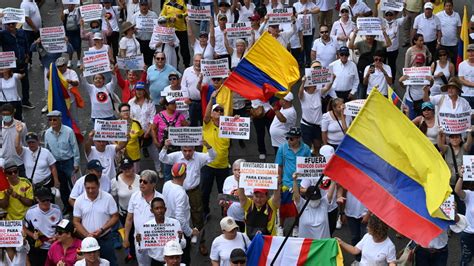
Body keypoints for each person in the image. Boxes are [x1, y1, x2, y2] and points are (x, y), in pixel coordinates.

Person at [159, 140, 215, 232]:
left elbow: (213, 157)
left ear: (194, 150)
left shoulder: (199, 156)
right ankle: (183, 234)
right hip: (180, 191)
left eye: (190, 150)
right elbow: (162, 158)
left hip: (194, 191)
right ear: (181, 150)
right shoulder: (176, 155)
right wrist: (165, 147)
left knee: (197, 215)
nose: (187, 153)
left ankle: (199, 238)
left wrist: (208, 145)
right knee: (180, 214)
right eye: (185, 150)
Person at [72, 174, 119, 266]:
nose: (90, 191)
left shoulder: (108, 198)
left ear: (98, 185)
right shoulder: (79, 201)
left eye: (93, 188)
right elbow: (76, 221)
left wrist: (102, 229)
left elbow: (115, 216)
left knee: (110, 262)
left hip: (105, 238)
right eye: (87, 188)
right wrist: (87, 235)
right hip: (87, 241)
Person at [123, 170, 164, 266]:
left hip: (156, 241)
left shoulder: (161, 199)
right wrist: (126, 238)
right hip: (139, 240)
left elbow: (165, 221)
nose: (141, 183)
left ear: (153, 184)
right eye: (140, 181)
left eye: (145, 182)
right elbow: (129, 219)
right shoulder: (134, 196)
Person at [202, 95, 232, 219]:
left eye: (221, 111)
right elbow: (206, 116)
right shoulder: (207, 124)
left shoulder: (229, 126)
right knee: (205, 192)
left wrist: (236, 120)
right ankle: (205, 211)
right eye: (216, 110)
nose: (219, 112)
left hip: (223, 166)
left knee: (224, 193)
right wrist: (211, 100)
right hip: (208, 165)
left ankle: (224, 213)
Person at [44, 110, 80, 212]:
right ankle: (67, 206)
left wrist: (76, 163)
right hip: (56, 164)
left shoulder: (68, 131)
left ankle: (77, 206)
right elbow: (47, 150)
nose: (52, 122)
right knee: (62, 187)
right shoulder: (47, 133)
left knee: (74, 185)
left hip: (68, 162)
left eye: (54, 119)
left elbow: (75, 147)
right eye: (50, 120)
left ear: (60, 120)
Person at [162, 163, 200, 260]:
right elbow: (180, 218)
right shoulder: (181, 193)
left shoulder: (167, 184)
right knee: (184, 257)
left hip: (167, 226)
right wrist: (190, 232)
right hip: (179, 231)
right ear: (185, 175)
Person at [299, 60, 332, 153]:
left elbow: (327, 88)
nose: (314, 86)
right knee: (306, 147)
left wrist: (332, 78)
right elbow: (300, 93)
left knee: (317, 145)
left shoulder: (318, 92)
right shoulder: (303, 95)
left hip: (318, 125)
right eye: (312, 84)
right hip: (306, 125)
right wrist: (302, 82)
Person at [24, 187, 62, 266]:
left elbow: (62, 227)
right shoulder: (30, 212)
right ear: (37, 199)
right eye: (43, 200)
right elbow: (24, 227)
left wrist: (57, 236)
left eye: (48, 200)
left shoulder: (57, 210)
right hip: (38, 249)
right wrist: (33, 235)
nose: (46, 202)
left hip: (54, 246)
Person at [110, 158, 139, 262]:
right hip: (124, 213)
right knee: (129, 234)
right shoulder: (115, 181)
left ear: (133, 167)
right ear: (121, 169)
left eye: (130, 168)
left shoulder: (140, 179)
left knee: (139, 233)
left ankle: (141, 252)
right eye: (125, 168)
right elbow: (114, 198)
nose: (128, 171)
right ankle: (131, 254)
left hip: (138, 213)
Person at [152, 97, 188, 180]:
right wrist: (155, 140)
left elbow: (186, 126)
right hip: (165, 146)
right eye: (172, 103)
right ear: (166, 105)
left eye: (175, 103)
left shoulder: (179, 115)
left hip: (178, 146)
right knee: (167, 167)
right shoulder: (159, 116)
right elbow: (153, 128)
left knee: (179, 167)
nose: (175, 105)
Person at [0, 21, 33, 109]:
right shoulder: (3, 34)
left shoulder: (21, 32)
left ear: (16, 24)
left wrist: (27, 57)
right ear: (5, 24)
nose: (11, 25)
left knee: (25, 82)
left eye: (13, 23)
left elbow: (26, 44)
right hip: (10, 64)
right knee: (10, 83)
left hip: (23, 62)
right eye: (8, 24)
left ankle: (25, 101)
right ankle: (11, 103)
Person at [292, 173, 336, 239]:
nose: (314, 201)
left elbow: (330, 194)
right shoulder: (302, 204)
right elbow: (296, 195)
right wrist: (294, 181)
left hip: (322, 244)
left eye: (316, 198)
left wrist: (333, 181)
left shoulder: (324, 203)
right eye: (312, 199)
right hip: (306, 244)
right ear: (306, 197)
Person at [144, 197, 186, 265]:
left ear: (165, 209)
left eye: (161, 208)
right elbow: (140, 250)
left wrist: (180, 239)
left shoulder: (175, 223)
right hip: (156, 262)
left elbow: (183, 245)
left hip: (173, 262)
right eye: (156, 208)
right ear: (151, 210)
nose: (159, 210)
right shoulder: (147, 227)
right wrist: (140, 242)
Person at [128, 81, 157, 168]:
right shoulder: (131, 102)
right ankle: (137, 171)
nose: (139, 92)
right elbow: (130, 118)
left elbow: (153, 118)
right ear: (135, 90)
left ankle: (158, 168)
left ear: (144, 91)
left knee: (154, 152)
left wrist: (148, 132)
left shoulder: (150, 102)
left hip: (148, 130)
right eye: (137, 89)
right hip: (136, 132)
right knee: (136, 154)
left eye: (141, 90)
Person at [222, 159, 253, 232]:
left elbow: (254, 198)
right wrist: (224, 203)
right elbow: (225, 197)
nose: (237, 172)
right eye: (235, 170)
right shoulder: (228, 180)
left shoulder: (252, 181)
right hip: (231, 217)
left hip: (247, 218)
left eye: (240, 170)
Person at [400, 53, 434, 119]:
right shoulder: (410, 71)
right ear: (415, 62)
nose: (418, 65)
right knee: (410, 119)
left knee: (422, 120)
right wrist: (400, 81)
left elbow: (430, 86)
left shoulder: (427, 71)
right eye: (417, 63)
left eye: (420, 63)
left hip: (422, 100)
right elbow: (404, 86)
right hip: (411, 100)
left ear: (423, 63)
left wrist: (431, 80)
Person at [160, 0, 190, 68]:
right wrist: (169, 18)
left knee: (185, 49)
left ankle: (187, 65)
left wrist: (182, 15)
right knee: (174, 49)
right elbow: (162, 15)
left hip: (182, 29)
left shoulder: (182, 2)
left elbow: (188, 12)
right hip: (171, 30)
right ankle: (175, 66)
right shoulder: (166, 3)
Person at [0, 104, 27, 176]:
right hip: (3, 163)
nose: (5, 116)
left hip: (19, 162)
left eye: (8, 114)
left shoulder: (21, 126)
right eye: (3, 114)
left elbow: (25, 142)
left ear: (13, 114)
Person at [131, 0, 159, 66]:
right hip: (139, 41)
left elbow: (158, 27)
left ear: (148, 6)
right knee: (141, 60)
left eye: (146, 5)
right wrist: (134, 30)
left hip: (151, 41)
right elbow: (130, 29)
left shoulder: (153, 14)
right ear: (139, 6)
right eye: (142, 5)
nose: (144, 7)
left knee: (150, 59)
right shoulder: (135, 16)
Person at [118, 103, 144, 172]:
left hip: (134, 154)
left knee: (135, 173)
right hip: (121, 154)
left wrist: (139, 148)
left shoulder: (136, 123)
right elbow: (112, 139)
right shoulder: (115, 124)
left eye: (127, 110)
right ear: (120, 113)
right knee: (123, 174)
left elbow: (141, 136)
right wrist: (118, 148)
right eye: (123, 111)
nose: (126, 112)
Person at [293, 0, 320, 67]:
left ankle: (308, 61)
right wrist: (300, 13)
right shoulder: (295, 4)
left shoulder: (310, 3)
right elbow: (293, 13)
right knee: (300, 45)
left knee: (308, 46)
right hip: (299, 28)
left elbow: (318, 9)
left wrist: (310, 11)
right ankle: (301, 61)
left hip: (310, 28)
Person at [454, 175, 474, 265]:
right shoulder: (470, 194)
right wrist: (461, 177)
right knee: (465, 259)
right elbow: (457, 190)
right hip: (468, 233)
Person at [181, 54, 204, 126]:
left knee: (204, 123)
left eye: (200, 61)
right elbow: (183, 85)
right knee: (193, 124)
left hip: (204, 102)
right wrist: (186, 97)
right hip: (191, 102)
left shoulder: (207, 71)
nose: (198, 63)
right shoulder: (187, 71)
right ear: (193, 61)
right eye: (196, 61)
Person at [436, 0, 461, 66]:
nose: (448, 7)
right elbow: (436, 28)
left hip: (454, 44)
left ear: (452, 6)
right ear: (444, 7)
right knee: (443, 61)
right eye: (447, 6)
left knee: (454, 61)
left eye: (450, 6)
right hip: (443, 43)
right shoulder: (439, 15)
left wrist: (459, 40)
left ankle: (454, 74)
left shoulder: (457, 15)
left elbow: (459, 28)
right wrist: (438, 40)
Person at [21, 0, 41, 66]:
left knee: (41, 45)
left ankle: (42, 60)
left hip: (37, 29)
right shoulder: (25, 4)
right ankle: (29, 62)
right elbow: (26, 18)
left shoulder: (33, 2)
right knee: (29, 47)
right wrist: (34, 28)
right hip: (29, 30)